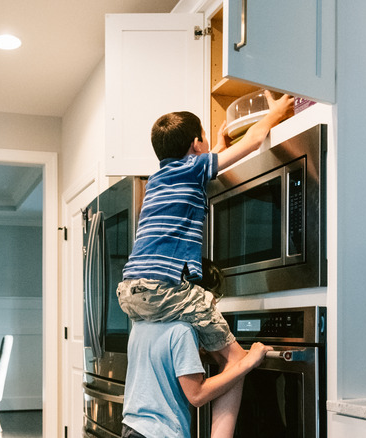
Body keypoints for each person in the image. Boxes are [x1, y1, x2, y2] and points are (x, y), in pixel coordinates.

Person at [117, 90, 294, 438]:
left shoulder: (157, 180)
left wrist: (218, 143)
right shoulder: (194, 166)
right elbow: (257, 137)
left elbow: (210, 164)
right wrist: (276, 112)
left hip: (130, 292)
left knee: (214, 355)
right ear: (197, 145)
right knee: (236, 360)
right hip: (165, 285)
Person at [121, 320, 270, 438]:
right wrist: (249, 361)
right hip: (160, 432)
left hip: (132, 427)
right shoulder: (182, 330)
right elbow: (197, 395)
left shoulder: (140, 323)